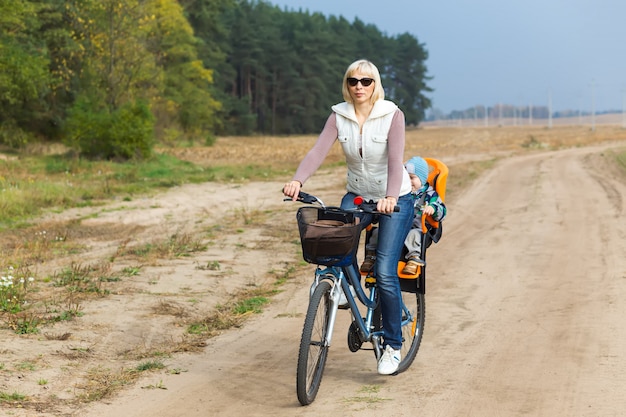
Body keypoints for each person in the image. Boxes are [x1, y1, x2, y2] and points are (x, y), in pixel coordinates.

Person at [283, 59, 414, 375]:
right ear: (347, 83)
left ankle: (393, 346)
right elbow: (318, 151)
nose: (359, 86)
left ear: (375, 84)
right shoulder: (338, 115)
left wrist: (391, 197)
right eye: (353, 80)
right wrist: (298, 180)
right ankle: (343, 287)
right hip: (357, 194)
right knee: (333, 244)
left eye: (366, 81)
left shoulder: (391, 114)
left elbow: (396, 161)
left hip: (395, 198)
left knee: (384, 271)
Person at [400, 156, 447, 275]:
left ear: (422, 179)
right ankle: (372, 256)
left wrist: (433, 208)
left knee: (414, 234)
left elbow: (442, 211)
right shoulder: (402, 192)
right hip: (400, 227)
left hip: (420, 229)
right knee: (378, 232)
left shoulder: (430, 194)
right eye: (406, 178)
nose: (408, 182)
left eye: (412, 178)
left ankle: (413, 259)